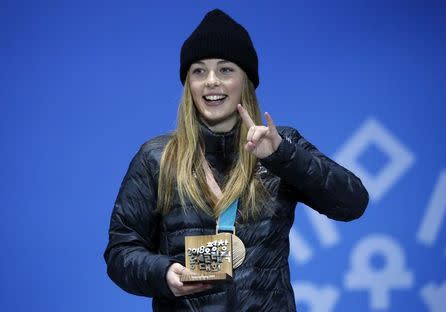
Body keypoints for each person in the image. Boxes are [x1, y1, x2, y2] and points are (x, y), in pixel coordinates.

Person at [104, 8, 369, 312]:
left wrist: (282, 156)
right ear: (188, 83)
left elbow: (353, 202)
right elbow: (120, 251)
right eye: (199, 71)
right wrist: (162, 272)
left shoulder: (280, 144)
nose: (211, 81)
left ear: (246, 80)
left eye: (226, 69)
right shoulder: (157, 157)